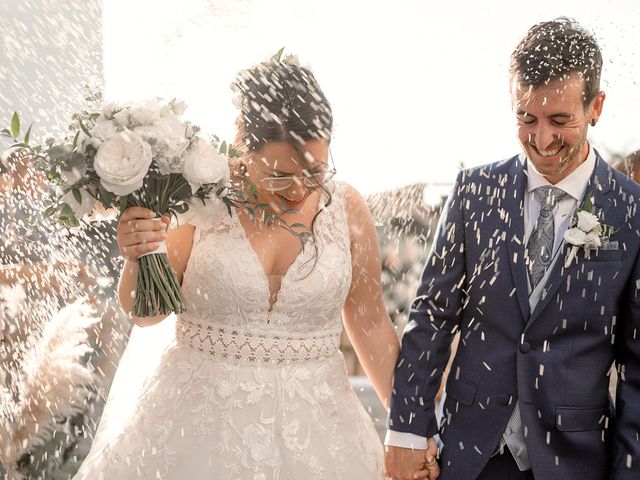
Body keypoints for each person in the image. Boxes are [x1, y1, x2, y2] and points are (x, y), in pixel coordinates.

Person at [73, 58, 399, 479]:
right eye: (280, 175)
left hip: (322, 436)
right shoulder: (196, 200)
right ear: (244, 147)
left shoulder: (348, 207)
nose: (299, 190)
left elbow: (370, 321)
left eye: (316, 171)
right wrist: (139, 254)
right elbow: (145, 313)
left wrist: (413, 429)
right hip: (196, 431)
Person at [384, 18, 640, 480]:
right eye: (527, 119)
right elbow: (433, 314)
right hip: (467, 458)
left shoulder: (631, 211)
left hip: (574, 465)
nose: (542, 140)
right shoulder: (473, 192)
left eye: (560, 121)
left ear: (596, 106)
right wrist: (406, 430)